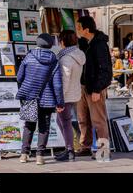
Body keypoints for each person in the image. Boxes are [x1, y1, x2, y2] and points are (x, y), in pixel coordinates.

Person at [16, 33, 64, 165]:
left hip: (30, 96)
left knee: (29, 125)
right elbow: (58, 84)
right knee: (44, 126)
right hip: (47, 99)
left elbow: (19, 77)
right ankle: (40, 156)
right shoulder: (54, 60)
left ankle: (24, 154)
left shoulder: (29, 57)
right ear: (50, 45)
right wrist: (60, 102)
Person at [75, 16, 112, 160]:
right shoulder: (84, 43)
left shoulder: (100, 44)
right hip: (83, 87)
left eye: (79, 27)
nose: (77, 30)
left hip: (95, 88)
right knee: (83, 119)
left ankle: (104, 151)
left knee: (98, 120)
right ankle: (85, 146)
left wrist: (97, 89)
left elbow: (106, 70)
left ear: (86, 29)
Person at [55, 30, 85, 162]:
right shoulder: (78, 54)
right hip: (74, 93)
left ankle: (70, 151)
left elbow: (64, 80)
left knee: (65, 122)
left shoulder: (66, 58)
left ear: (62, 41)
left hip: (66, 95)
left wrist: (59, 100)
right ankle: (68, 149)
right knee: (61, 121)